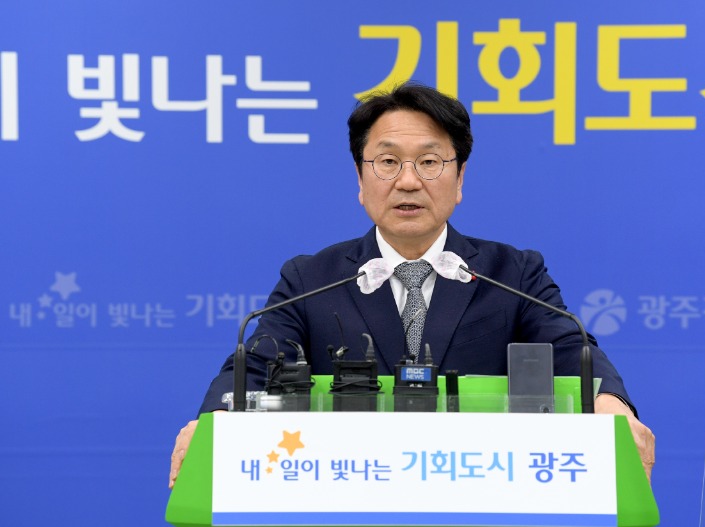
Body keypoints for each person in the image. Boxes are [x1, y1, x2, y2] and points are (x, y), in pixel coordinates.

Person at [169, 82, 655, 489]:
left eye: (429, 162)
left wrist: (612, 406)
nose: (407, 181)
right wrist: (213, 422)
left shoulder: (513, 274)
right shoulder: (310, 279)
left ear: (459, 178)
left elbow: (571, 349)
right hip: (350, 495)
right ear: (360, 179)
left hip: (481, 495)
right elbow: (255, 366)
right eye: (387, 162)